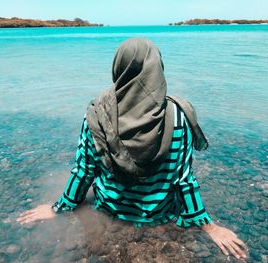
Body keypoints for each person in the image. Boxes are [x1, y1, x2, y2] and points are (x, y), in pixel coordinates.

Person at [17, 38, 248, 259]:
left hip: (111, 210)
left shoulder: (97, 115)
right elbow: (183, 179)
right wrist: (209, 226)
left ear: (118, 68)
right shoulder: (179, 116)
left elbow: (84, 171)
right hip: (160, 215)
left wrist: (59, 208)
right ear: (158, 67)